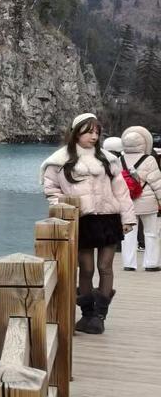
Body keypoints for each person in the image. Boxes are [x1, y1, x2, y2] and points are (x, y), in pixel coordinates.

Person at [41, 113, 135, 334]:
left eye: (96, 132)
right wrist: (64, 206)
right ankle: (87, 315)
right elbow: (51, 190)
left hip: (109, 218)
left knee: (105, 267)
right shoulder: (59, 160)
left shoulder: (108, 159)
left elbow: (121, 191)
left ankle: (100, 317)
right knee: (86, 268)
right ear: (76, 133)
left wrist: (128, 218)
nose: (94, 136)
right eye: (89, 132)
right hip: (82, 219)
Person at [120, 125, 161, 271]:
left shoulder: (120, 159)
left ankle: (128, 264)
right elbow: (157, 183)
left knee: (128, 233)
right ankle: (151, 263)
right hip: (147, 202)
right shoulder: (149, 159)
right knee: (151, 233)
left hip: (127, 202)